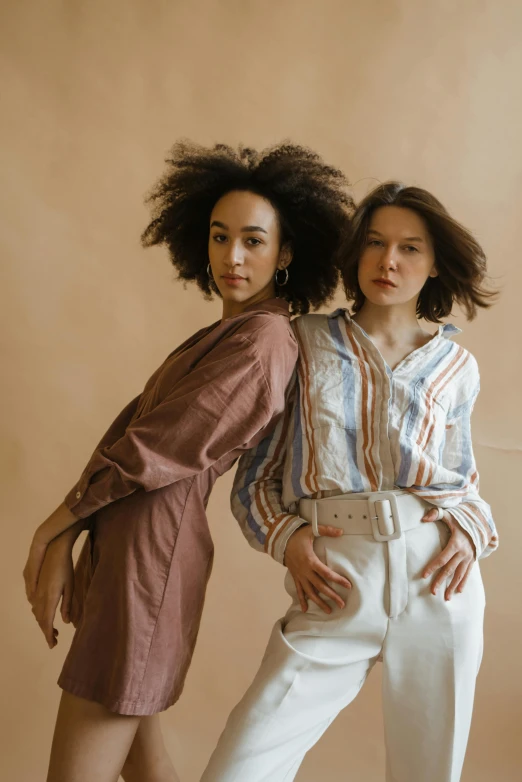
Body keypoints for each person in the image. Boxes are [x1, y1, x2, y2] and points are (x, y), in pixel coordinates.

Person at [22, 141, 353, 782]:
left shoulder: (263, 342)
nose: (233, 256)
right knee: (147, 767)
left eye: (254, 241)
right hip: (127, 543)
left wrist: (53, 527)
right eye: (220, 236)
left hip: (150, 554)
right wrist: (76, 530)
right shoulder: (222, 334)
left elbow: (155, 448)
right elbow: (130, 429)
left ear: (285, 253)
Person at [202, 181, 498, 782]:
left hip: (437, 582)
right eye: (374, 243)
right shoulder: (301, 342)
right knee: (241, 767)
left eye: (409, 248)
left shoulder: (457, 366)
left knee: (428, 773)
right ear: (354, 253)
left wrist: (470, 533)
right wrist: (288, 540)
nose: (388, 261)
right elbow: (254, 476)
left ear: (435, 262)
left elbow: (462, 482)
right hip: (336, 581)